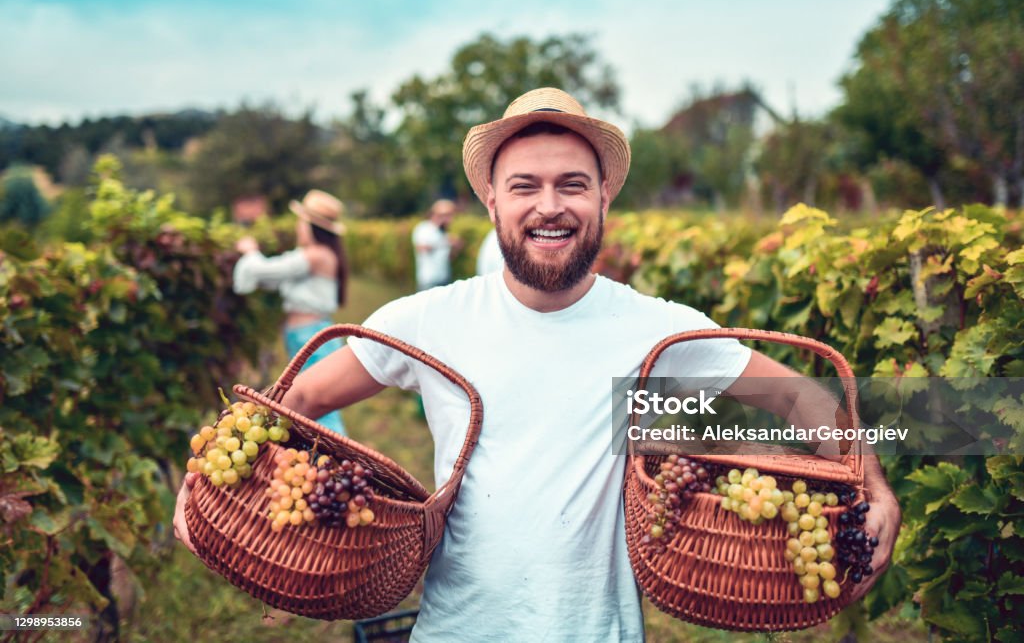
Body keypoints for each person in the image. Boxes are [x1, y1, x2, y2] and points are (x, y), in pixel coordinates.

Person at [176, 88, 900, 641]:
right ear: (490, 198)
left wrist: (873, 484)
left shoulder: (662, 334)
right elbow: (297, 398)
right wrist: (208, 488)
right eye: (524, 186)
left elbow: (803, 399)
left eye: (572, 185)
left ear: (604, 195)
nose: (548, 206)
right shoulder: (425, 322)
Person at [232, 189, 350, 436]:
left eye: (301, 221)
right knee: (316, 401)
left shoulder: (316, 255)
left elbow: (267, 271)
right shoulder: (318, 255)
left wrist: (250, 251)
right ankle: (329, 461)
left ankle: (336, 462)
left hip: (312, 337)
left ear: (311, 226)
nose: (298, 227)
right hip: (308, 335)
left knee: (321, 402)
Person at [412, 199, 459, 290]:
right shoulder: (424, 228)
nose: (451, 220)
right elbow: (421, 248)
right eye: (449, 216)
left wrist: (455, 248)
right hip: (429, 281)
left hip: (444, 280)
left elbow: (447, 258)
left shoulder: (442, 233)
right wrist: (446, 243)